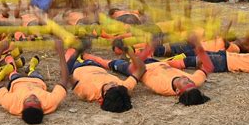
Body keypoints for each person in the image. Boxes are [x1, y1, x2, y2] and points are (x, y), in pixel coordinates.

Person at [83, 36, 213, 106]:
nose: (187, 79)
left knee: (112, 63)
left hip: (140, 67)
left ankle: (87, 56)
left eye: (185, 83)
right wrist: (198, 46)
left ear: (177, 91)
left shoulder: (160, 86)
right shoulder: (194, 82)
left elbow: (139, 69)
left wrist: (144, 50)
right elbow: (208, 67)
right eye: (189, 81)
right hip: (159, 63)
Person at [0, 40, 68, 124]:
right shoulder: (50, 102)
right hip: (37, 80)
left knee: (13, 73)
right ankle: (31, 67)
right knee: (34, 72)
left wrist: (0, 51)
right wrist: (61, 51)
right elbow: (64, 79)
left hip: (17, 81)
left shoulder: (11, 103)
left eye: (28, 100)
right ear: (42, 108)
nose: (32, 96)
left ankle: (11, 66)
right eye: (37, 101)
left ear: (22, 108)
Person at [65, 40, 145, 112]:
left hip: (76, 67)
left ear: (104, 96)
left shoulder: (88, 92)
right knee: (93, 58)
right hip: (96, 66)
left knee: (70, 51)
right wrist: (128, 51)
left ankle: (79, 51)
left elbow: (66, 73)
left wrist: (77, 52)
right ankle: (84, 54)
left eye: (112, 86)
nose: (115, 83)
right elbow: (141, 69)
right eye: (117, 85)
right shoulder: (123, 89)